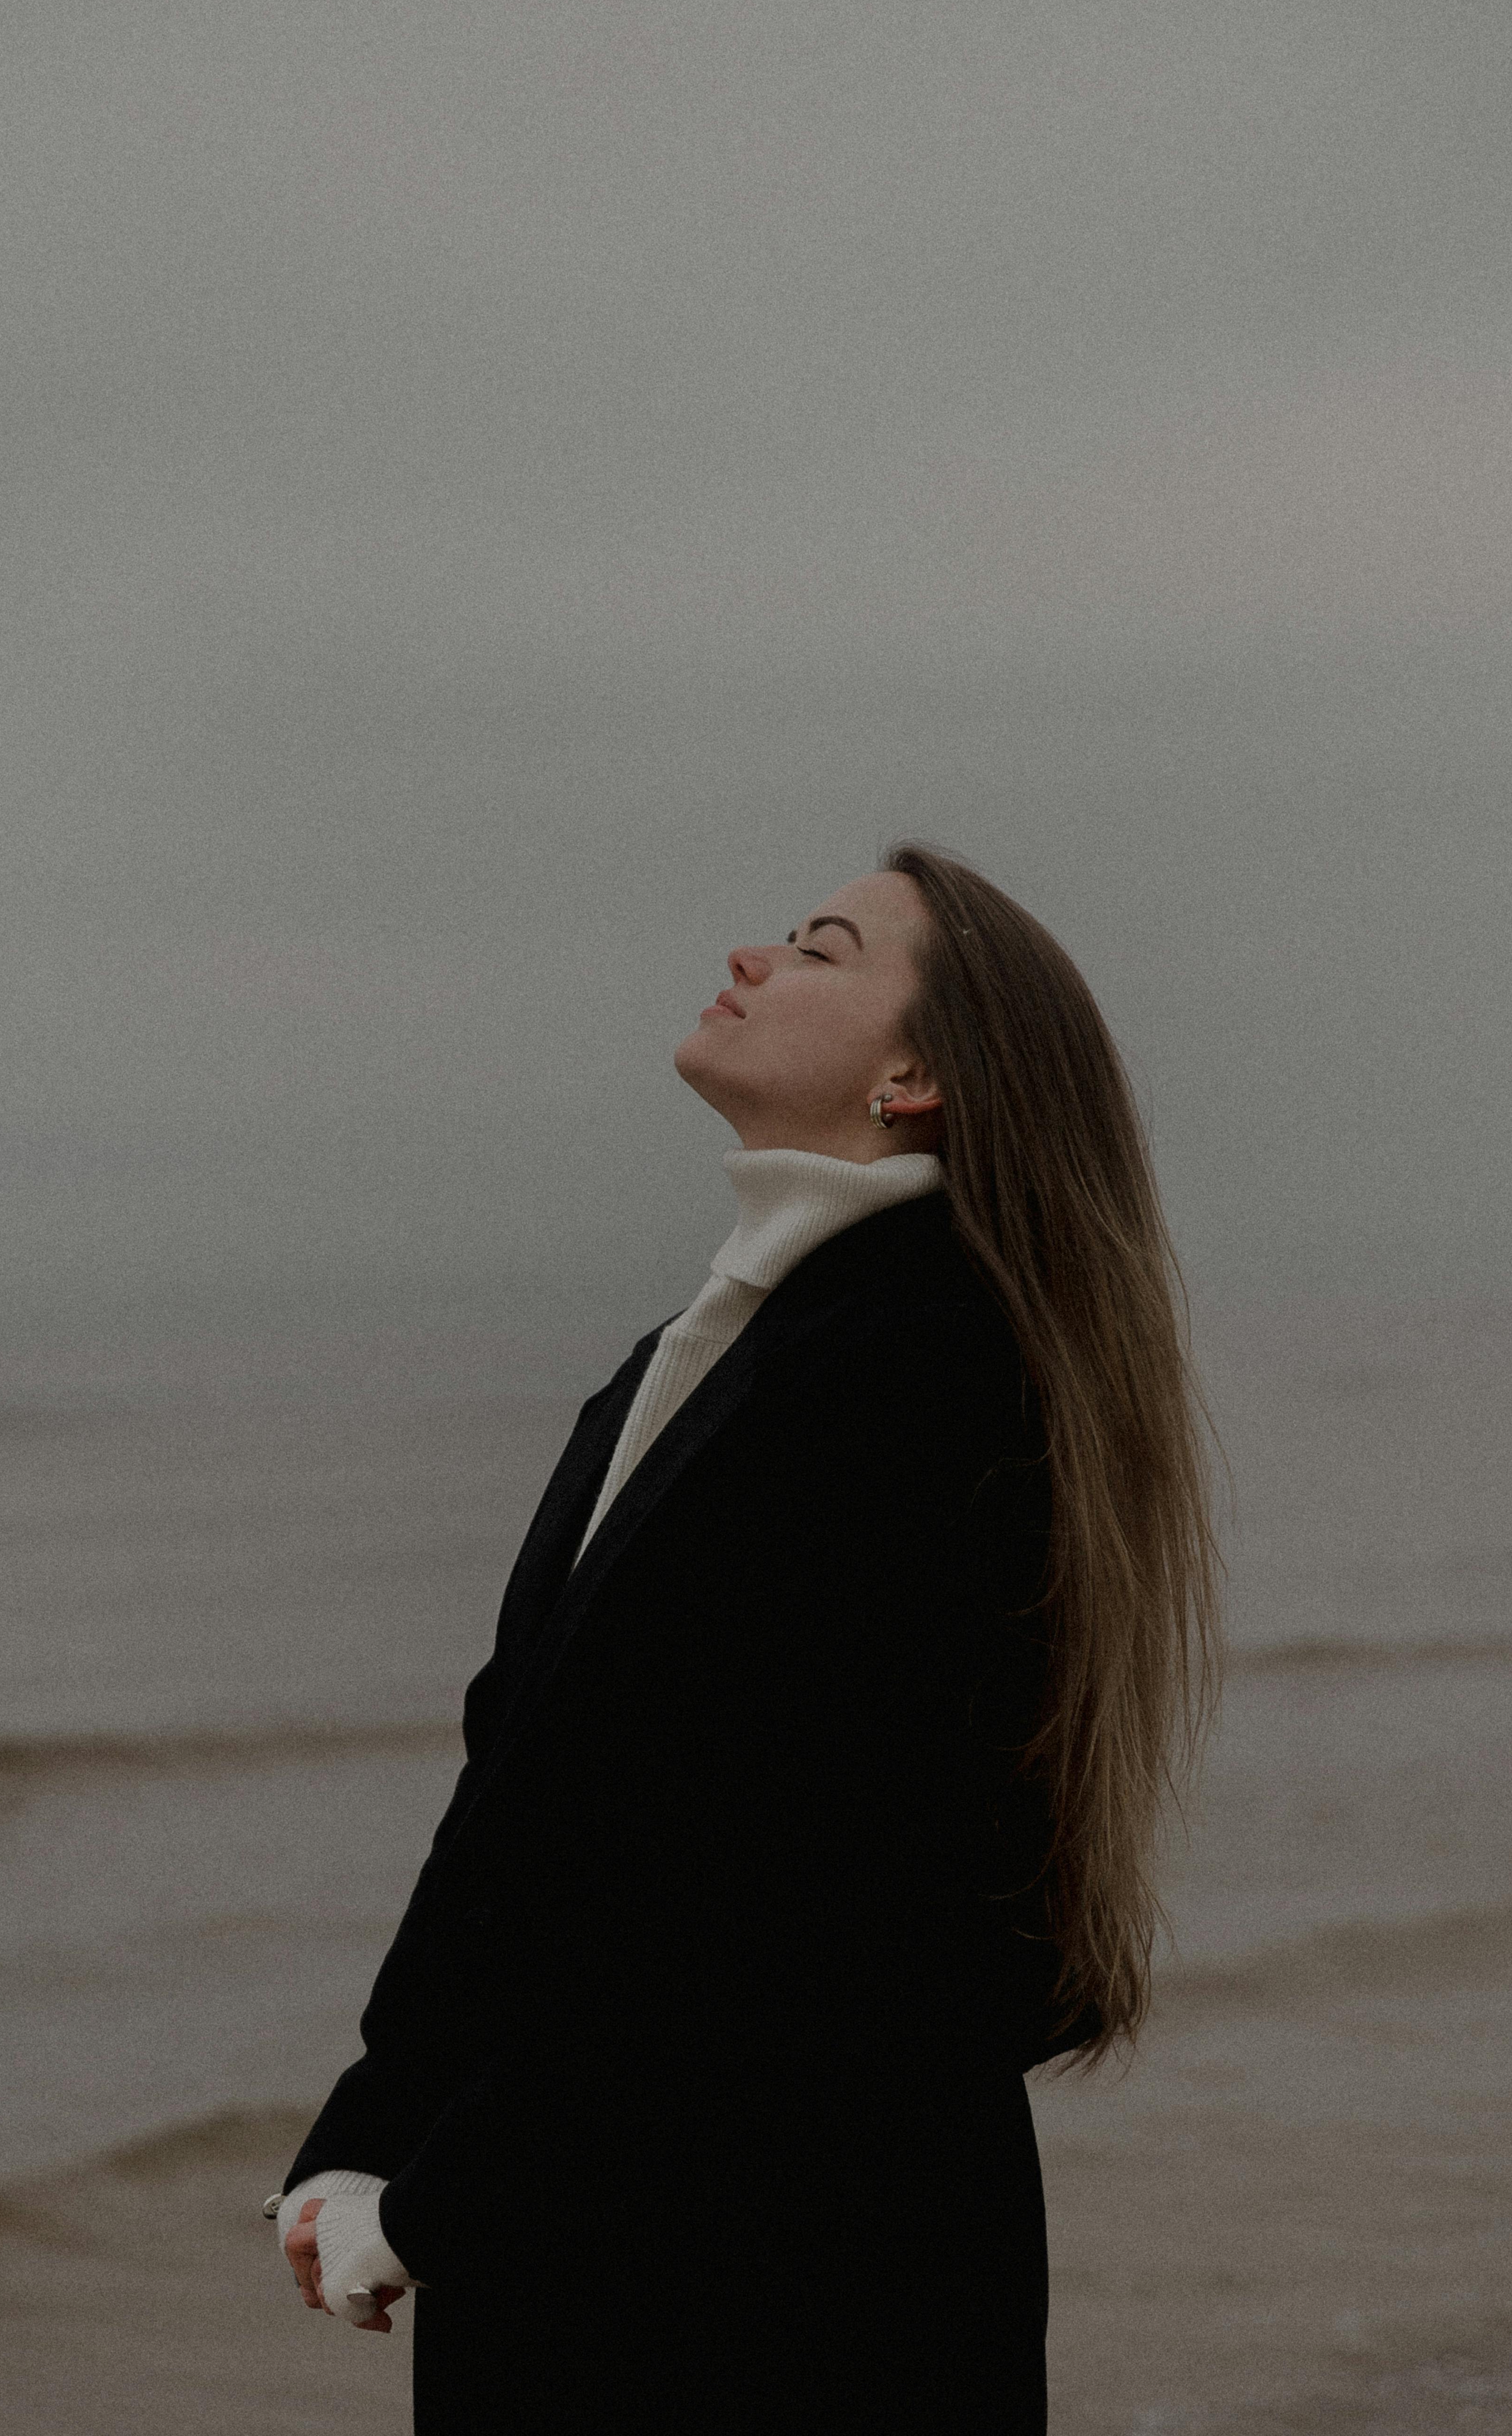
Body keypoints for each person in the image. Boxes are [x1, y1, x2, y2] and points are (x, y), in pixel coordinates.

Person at [270, 842, 1222, 2432]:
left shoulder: (926, 1373)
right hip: (635, 2223)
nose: (754, 955)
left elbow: (739, 1896)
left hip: (782, 2279)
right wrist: (371, 2125)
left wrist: (436, 2201)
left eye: (822, 948)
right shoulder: (716, 1349)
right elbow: (521, 1791)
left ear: (917, 1071)